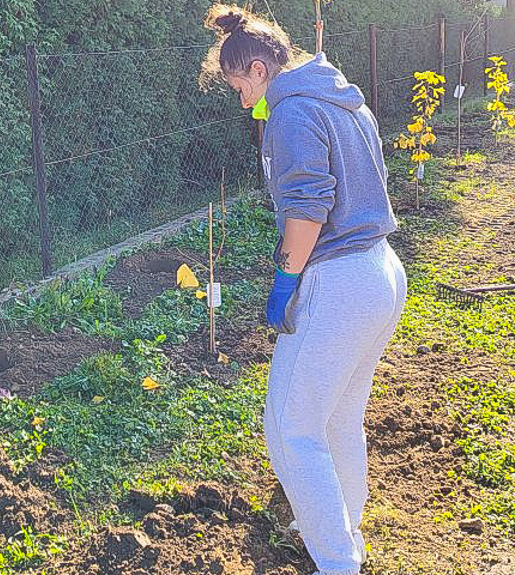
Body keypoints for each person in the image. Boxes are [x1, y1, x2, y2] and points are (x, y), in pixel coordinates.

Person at [201, 6, 407, 575]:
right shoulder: (342, 96)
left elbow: (308, 208)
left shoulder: (292, 112)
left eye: (241, 86)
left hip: (338, 280)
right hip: (381, 270)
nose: (244, 102)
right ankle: (343, 525)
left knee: (291, 429)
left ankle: (339, 562)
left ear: (261, 69)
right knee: (339, 416)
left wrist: (285, 280)